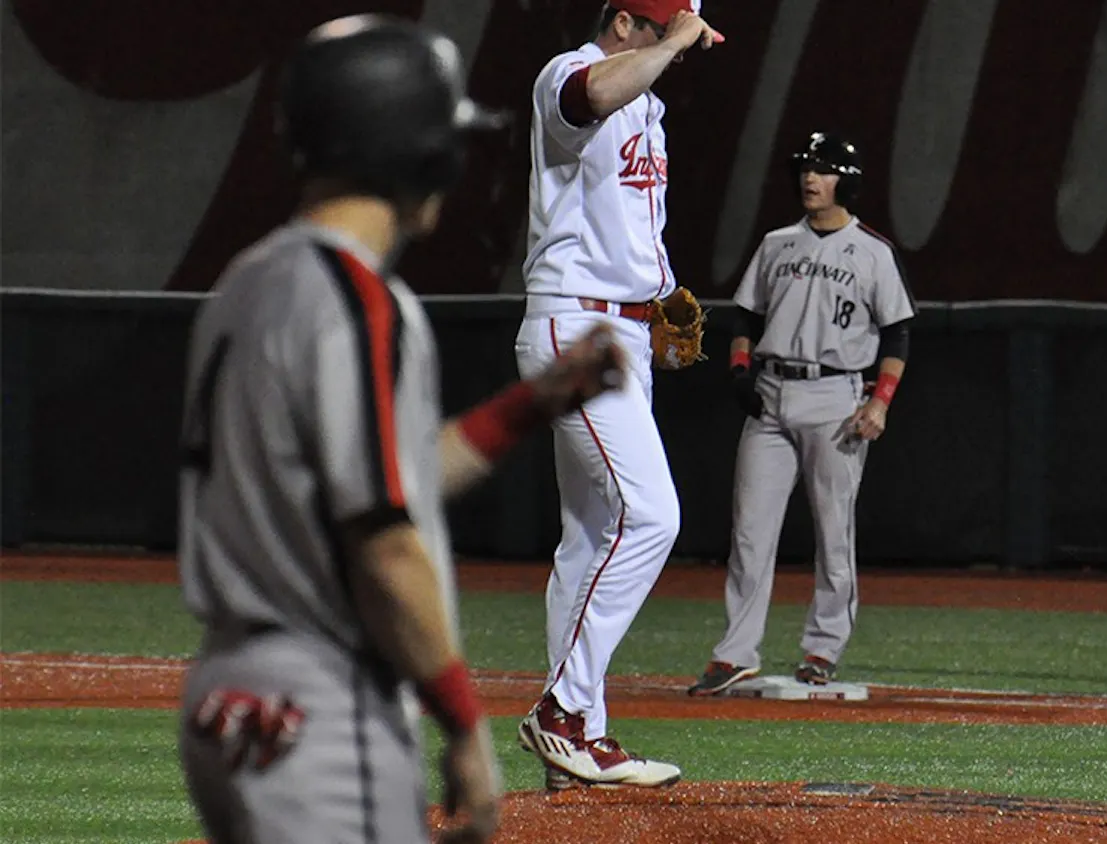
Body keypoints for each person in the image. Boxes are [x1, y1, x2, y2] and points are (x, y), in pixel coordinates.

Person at [175, 15, 628, 843]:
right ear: (418, 154)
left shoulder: (248, 282)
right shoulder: (356, 302)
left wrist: (534, 402)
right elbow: (383, 536)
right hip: (317, 704)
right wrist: (460, 719)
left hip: (224, 698)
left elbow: (389, 476)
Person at [513, 0, 723, 790]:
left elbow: (634, 224)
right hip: (578, 326)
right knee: (652, 514)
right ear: (634, 22)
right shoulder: (568, 74)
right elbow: (587, 99)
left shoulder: (650, 107)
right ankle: (562, 713)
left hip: (622, 328)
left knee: (590, 537)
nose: (689, 51)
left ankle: (579, 741)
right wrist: (671, 39)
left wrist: (664, 294)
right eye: (678, 34)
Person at [686, 130, 917, 697]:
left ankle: (822, 648)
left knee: (833, 532)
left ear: (848, 180)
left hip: (835, 398)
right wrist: (740, 371)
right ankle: (735, 653)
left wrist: (879, 403)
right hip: (770, 393)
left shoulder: (873, 251)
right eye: (806, 168)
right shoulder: (777, 243)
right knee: (749, 531)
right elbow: (744, 318)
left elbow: (899, 334)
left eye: (823, 169)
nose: (810, 178)